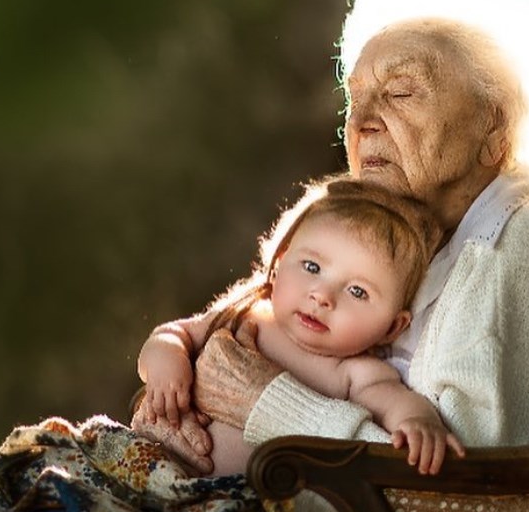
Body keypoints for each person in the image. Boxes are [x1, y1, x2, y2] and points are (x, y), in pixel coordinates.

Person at [134, 0, 529, 512]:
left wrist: (262, 403)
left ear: (494, 127)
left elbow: (475, 494)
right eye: (356, 99)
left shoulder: (518, 239)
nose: (363, 122)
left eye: (402, 92)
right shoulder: (411, 231)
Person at [139, 176, 467, 477]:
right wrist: (167, 364)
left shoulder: (355, 373)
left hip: (230, 507)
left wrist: (419, 423)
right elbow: (172, 334)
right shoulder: (248, 314)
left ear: (392, 328)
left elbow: (398, 404)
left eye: (357, 291)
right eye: (312, 266)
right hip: (145, 462)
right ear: (280, 263)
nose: (322, 296)